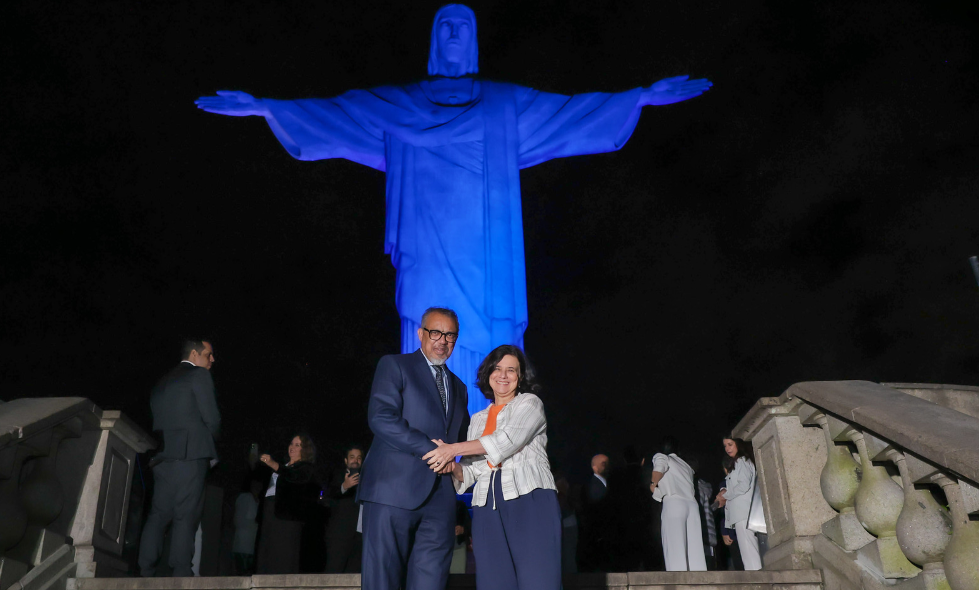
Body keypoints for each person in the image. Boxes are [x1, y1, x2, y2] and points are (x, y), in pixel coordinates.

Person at [194, 5, 712, 394]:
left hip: (485, 255)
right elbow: (336, 116)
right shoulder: (401, 104)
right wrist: (266, 108)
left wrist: (638, 97)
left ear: (476, 42)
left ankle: (491, 437)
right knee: (426, 337)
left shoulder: (503, 104)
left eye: (464, 26)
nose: (454, 33)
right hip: (426, 250)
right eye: (445, 25)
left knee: (488, 339)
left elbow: (571, 115)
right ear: (433, 41)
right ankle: (426, 436)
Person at [425, 344, 560, 590]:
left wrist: (452, 449)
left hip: (530, 498)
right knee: (493, 582)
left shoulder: (530, 404)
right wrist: (448, 465)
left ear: (520, 378)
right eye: (497, 368)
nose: (503, 375)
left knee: (539, 581)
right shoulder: (477, 419)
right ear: (488, 373)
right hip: (486, 507)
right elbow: (470, 471)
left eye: (512, 370)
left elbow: (506, 441)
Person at [359, 307, 470, 590]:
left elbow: (465, 435)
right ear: (420, 334)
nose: (442, 340)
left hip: (441, 501)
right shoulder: (394, 365)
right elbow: (381, 417)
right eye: (436, 332)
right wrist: (434, 451)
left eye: (450, 335)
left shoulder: (459, 387)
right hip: (391, 491)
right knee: (383, 582)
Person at [139, 338, 221, 577]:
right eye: (209, 355)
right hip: (191, 456)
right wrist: (212, 438)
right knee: (186, 515)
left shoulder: (161, 382)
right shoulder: (199, 376)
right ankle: (181, 571)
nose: (212, 360)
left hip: (164, 458)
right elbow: (212, 418)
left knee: (158, 515)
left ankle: (145, 568)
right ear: (194, 354)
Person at [257, 434, 320, 574]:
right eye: (292, 443)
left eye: (298, 445)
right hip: (270, 511)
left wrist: (274, 464)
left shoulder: (305, 467)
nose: (292, 447)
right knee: (266, 550)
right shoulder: (284, 465)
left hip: (287, 518)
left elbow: (294, 476)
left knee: (282, 555)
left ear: (306, 450)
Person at [649, 437, 706, 571]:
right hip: (692, 505)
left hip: (674, 502)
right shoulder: (686, 465)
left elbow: (659, 467)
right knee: (694, 549)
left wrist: (653, 484)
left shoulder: (662, 456)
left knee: (675, 547)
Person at [716, 437, 761, 570]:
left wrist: (725, 495)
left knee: (748, 548)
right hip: (742, 512)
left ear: (739, 445)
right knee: (748, 548)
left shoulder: (742, 460)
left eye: (730, 444)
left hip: (743, 512)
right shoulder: (742, 461)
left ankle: (756, 578)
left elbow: (743, 485)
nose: (727, 448)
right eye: (725, 446)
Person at [325, 445, 365, 573]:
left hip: (362, 533)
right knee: (335, 570)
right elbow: (329, 496)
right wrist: (344, 486)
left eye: (359, 458)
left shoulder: (368, 478)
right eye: (352, 457)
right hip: (340, 535)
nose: (355, 460)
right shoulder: (338, 476)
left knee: (355, 573)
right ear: (346, 461)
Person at [579, 453, 612, 572]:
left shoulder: (608, 484)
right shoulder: (592, 486)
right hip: (599, 532)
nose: (607, 466)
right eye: (604, 464)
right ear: (594, 467)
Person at [232, 479, 261, 574]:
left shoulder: (241, 497)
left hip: (240, 542)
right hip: (247, 544)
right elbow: (251, 518)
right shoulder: (249, 498)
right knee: (245, 570)